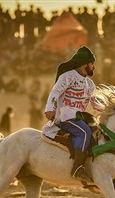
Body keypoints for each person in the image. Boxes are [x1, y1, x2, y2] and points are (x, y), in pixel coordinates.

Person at [42, 45, 97, 181]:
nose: (94, 66)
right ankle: (77, 168)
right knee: (84, 132)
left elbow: (95, 102)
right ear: (85, 64)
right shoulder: (67, 76)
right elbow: (55, 92)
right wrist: (49, 109)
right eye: (92, 63)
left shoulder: (90, 84)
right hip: (66, 117)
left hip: (79, 118)